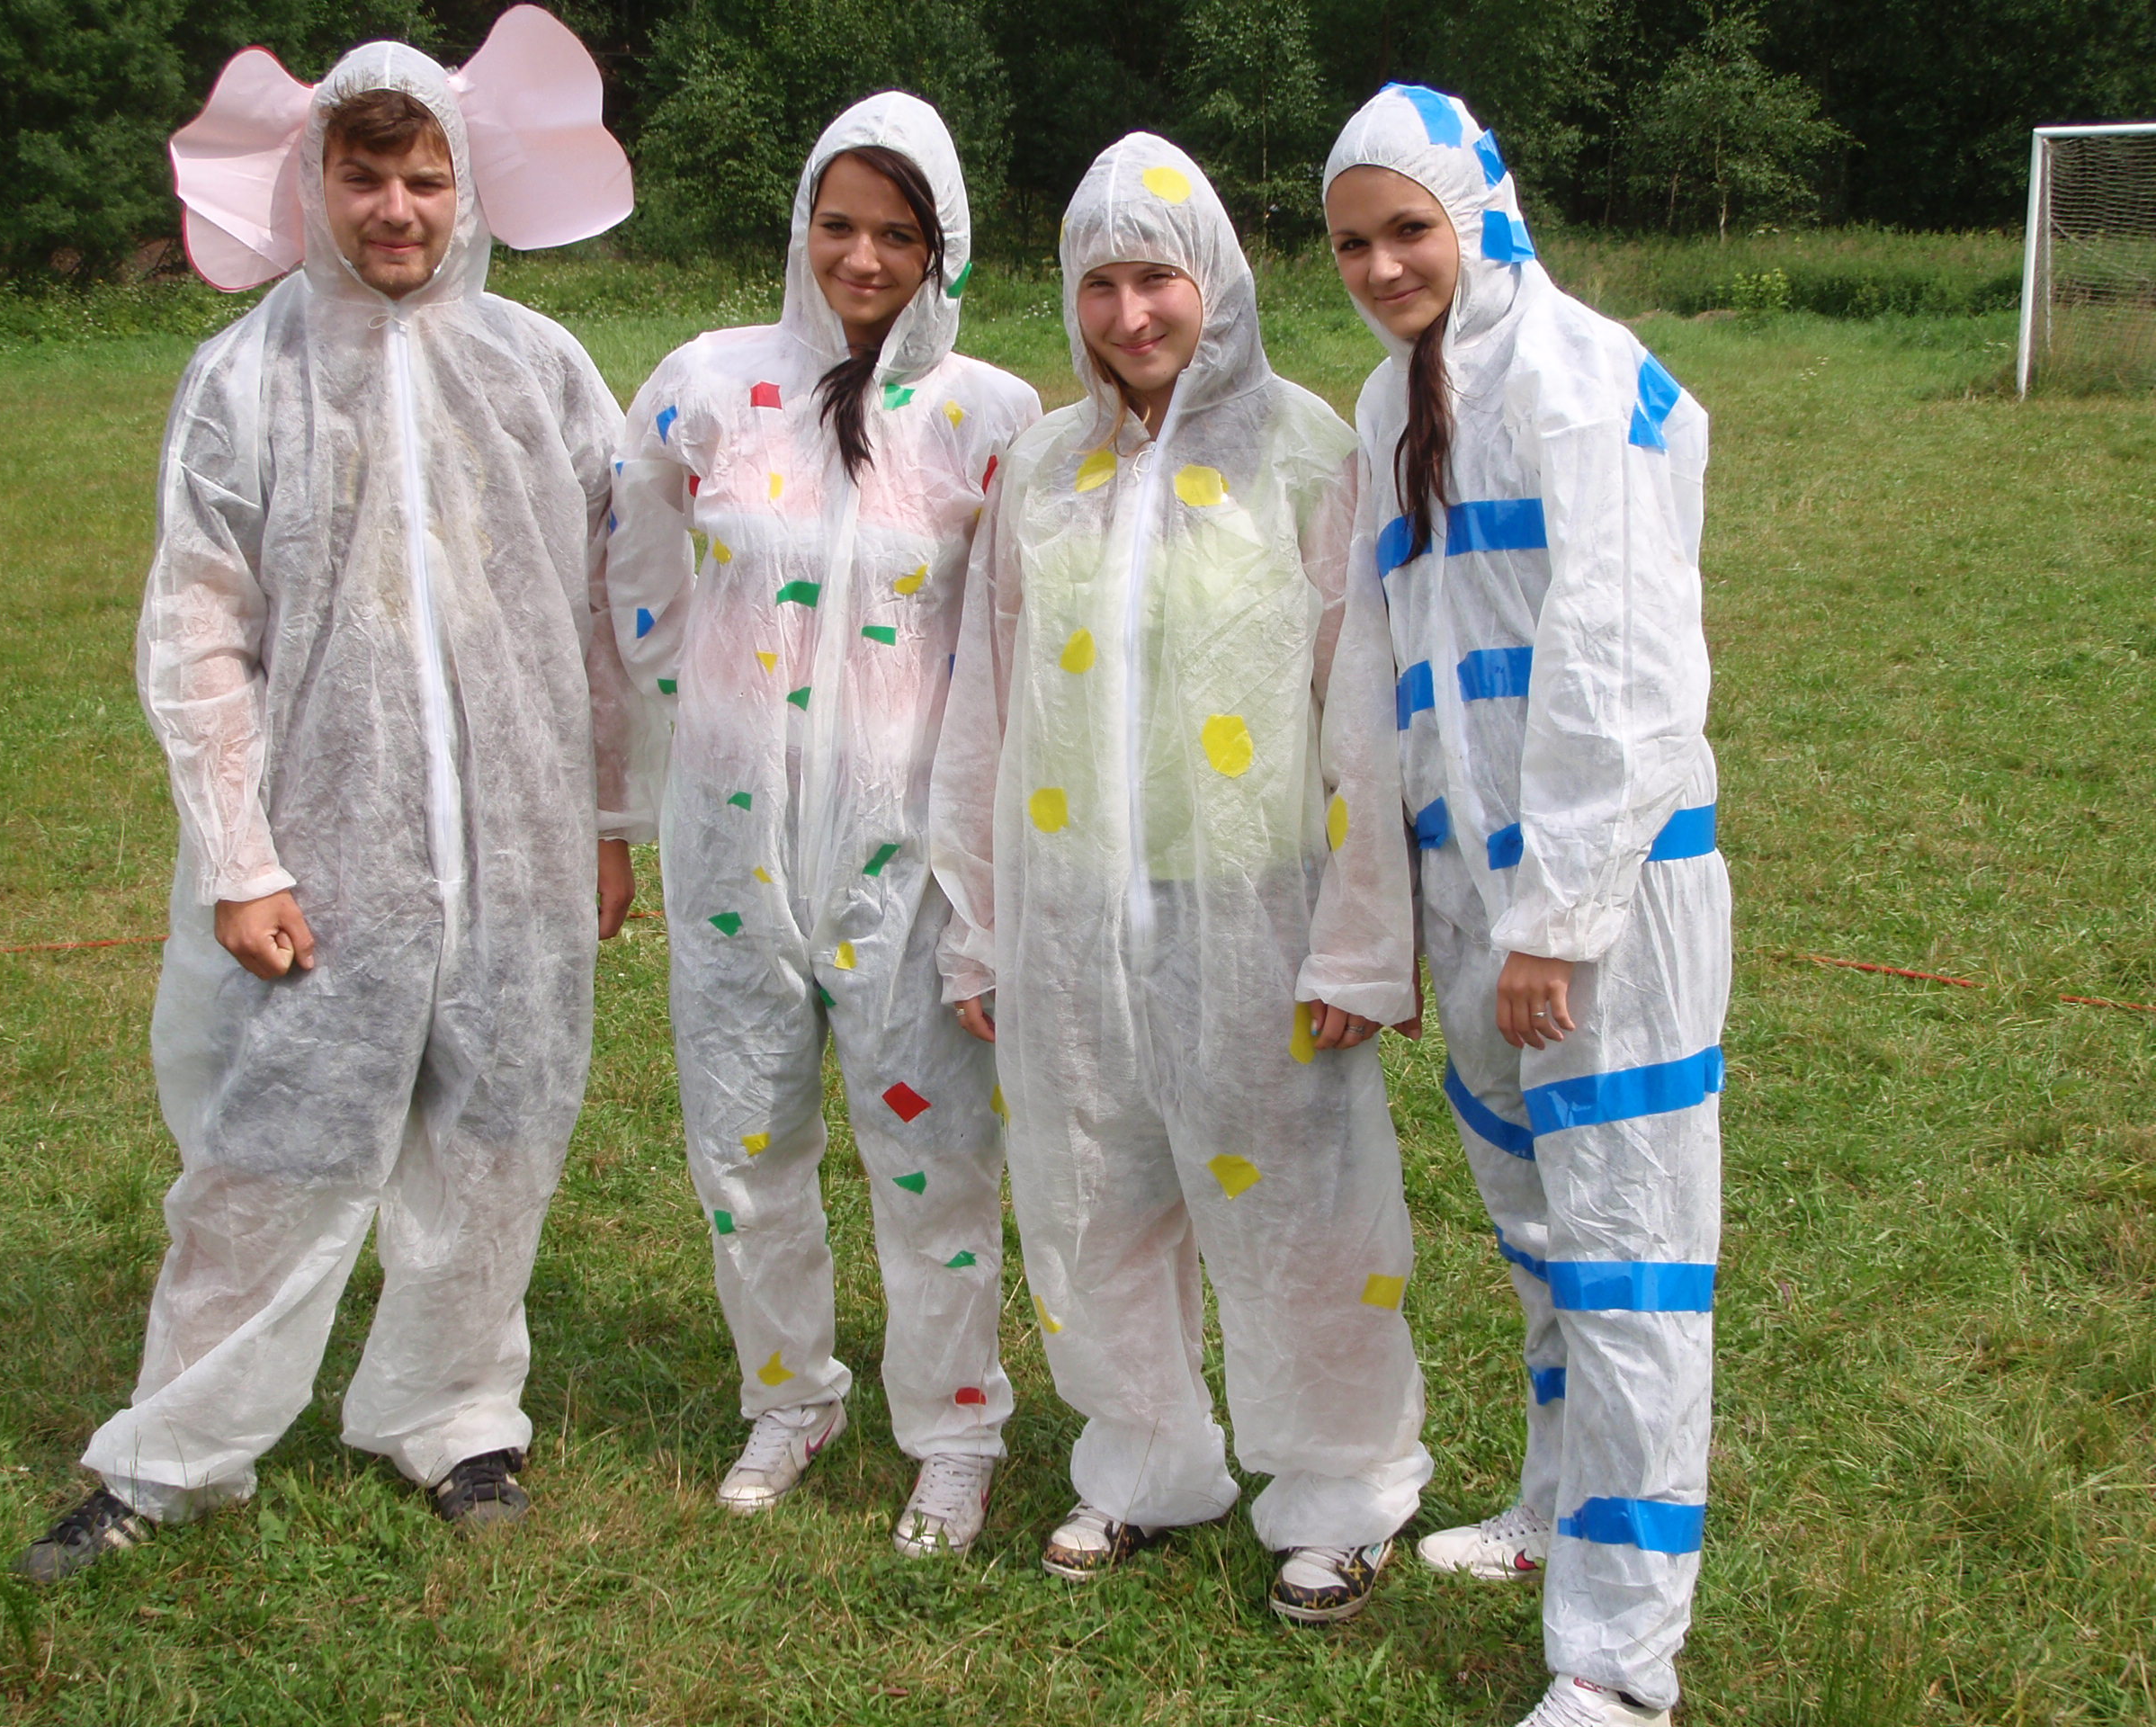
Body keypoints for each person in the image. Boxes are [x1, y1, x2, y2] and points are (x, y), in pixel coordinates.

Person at [17, 14, 650, 1584]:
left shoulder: (542, 370)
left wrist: (605, 826)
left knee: (498, 1141)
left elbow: (607, 618)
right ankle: (174, 1453)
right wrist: (241, 858)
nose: (396, 211)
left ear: (467, 189)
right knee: (271, 1156)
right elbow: (197, 629)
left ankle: (452, 1412)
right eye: (365, 179)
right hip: (326, 849)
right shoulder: (248, 376)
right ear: (317, 184)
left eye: (424, 179)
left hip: (517, 847)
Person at [928, 133, 1430, 1624]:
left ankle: (1343, 1488)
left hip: (1254, 915)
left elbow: (1362, 710)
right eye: (1099, 285)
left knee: (1302, 1214)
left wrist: (1360, 943)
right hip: (1072, 915)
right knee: (1089, 1196)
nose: (1129, 314)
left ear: (1213, 278)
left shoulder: (1305, 452)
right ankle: (1145, 1459)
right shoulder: (1043, 468)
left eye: (1155, 278)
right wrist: (982, 930)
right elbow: (987, 706)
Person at [1321, 85, 1729, 1726]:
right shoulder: (1390, 402)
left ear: (1480, 214)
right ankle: (1558, 1507)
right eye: (1352, 243)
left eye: (1407, 230)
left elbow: (1619, 661)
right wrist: (1417, 908)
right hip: (1474, 897)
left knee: (1631, 1264)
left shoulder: (1580, 376)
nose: (1381, 266)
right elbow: (1393, 669)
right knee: (1544, 1239)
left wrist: (1560, 915)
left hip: (1602, 910)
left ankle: (1619, 1666)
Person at [605, 93, 1038, 1558]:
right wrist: (707, 726)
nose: (863, 258)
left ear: (943, 248)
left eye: (897, 234)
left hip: (910, 858)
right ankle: (788, 1395)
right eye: (838, 225)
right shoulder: (708, 385)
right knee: (744, 1142)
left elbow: (1011, 649)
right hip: (732, 847)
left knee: (934, 1159)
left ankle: (954, 1430)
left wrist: (981, 867)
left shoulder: (991, 418)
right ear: (803, 227)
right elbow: (637, 575)